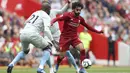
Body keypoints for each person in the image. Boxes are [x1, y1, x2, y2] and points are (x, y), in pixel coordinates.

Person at [51, 2, 103, 73]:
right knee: (61, 56)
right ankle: (57, 65)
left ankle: (82, 69)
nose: (79, 11)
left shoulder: (80, 19)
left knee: (82, 49)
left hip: (74, 38)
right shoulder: (67, 15)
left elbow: (87, 26)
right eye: (77, 10)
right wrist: (52, 22)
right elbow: (57, 18)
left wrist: (98, 31)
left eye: (80, 10)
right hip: (65, 38)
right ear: (73, 9)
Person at [7, 1, 55, 73]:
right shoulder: (46, 16)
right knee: (47, 48)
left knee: (25, 51)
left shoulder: (35, 13)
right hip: (32, 34)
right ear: (48, 10)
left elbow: (26, 22)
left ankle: (12, 64)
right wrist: (52, 40)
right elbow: (46, 30)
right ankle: (41, 68)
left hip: (23, 33)